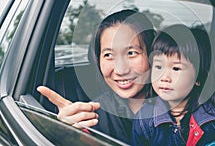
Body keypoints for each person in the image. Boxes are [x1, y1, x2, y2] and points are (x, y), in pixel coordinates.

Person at [131, 24, 215, 146]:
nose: (164, 77)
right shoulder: (144, 119)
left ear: (198, 78)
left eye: (176, 68)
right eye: (158, 66)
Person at [37, 9, 156, 144]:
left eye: (131, 53)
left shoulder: (179, 106)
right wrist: (67, 134)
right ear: (97, 61)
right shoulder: (93, 119)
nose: (121, 69)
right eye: (108, 55)